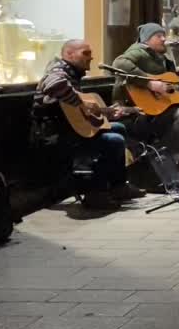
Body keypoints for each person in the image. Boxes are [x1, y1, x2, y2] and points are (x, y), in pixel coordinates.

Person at [32, 39, 143, 208]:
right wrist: (81, 103)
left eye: (90, 53)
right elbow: (53, 84)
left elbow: (74, 113)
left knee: (118, 128)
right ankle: (95, 193)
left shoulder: (72, 74)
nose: (90, 57)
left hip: (70, 129)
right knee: (113, 141)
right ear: (69, 54)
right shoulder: (58, 69)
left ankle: (118, 186)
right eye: (85, 53)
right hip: (54, 135)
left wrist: (107, 113)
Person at [113, 23, 179, 170]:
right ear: (146, 39)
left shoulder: (163, 57)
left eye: (164, 35)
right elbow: (118, 64)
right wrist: (149, 83)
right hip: (140, 113)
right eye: (158, 36)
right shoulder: (139, 51)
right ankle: (161, 162)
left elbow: (171, 88)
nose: (164, 39)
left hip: (161, 108)